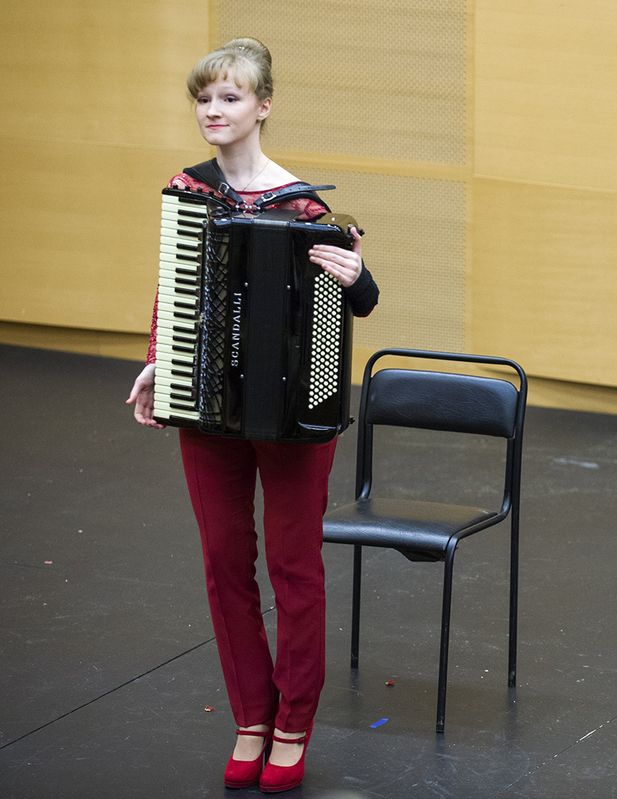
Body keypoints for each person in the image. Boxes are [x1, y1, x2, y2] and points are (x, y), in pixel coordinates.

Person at [126, 37, 379, 793]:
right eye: (204, 98)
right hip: (208, 408)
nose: (213, 110)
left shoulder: (305, 207)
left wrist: (357, 274)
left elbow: (360, 301)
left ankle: (293, 723)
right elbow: (176, 293)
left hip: (294, 416)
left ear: (263, 106)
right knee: (223, 565)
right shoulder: (188, 190)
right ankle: (251, 718)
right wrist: (159, 363)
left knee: (294, 569)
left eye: (229, 97)